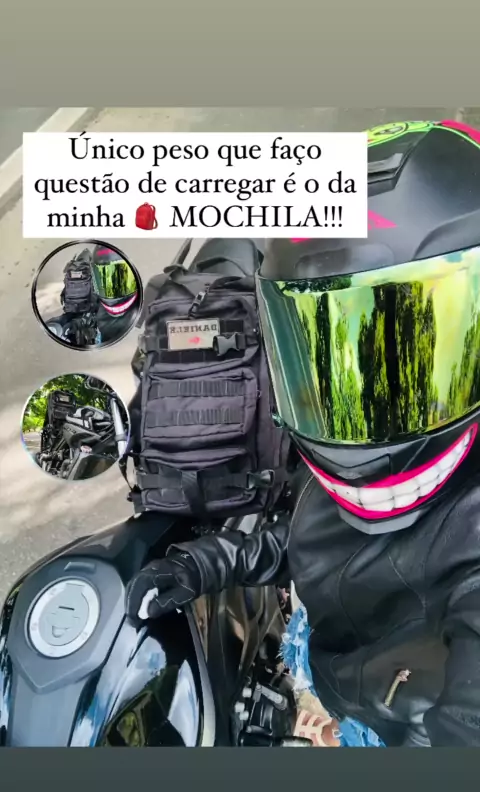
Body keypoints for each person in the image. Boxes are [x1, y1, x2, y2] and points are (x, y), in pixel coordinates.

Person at [126, 120, 480, 747]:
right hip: (332, 665)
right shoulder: (336, 453)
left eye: (407, 356)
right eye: (329, 357)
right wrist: (216, 560)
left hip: (391, 728)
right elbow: (321, 541)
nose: (364, 410)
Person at [91, 245, 139, 344]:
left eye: (119, 278)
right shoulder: (93, 306)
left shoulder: (147, 305)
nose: (112, 288)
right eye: (103, 280)